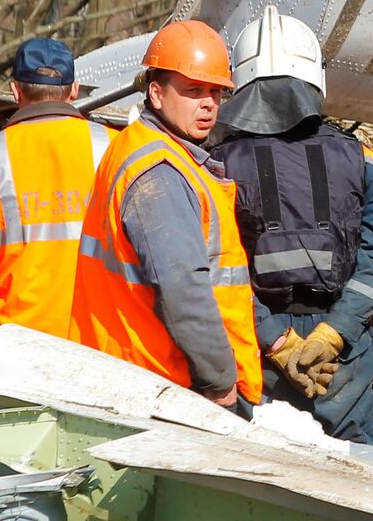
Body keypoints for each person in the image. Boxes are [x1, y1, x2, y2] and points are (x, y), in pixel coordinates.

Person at [213, 6, 373, 443]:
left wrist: (277, 341)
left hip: (258, 346)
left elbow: (217, 267)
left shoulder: (216, 166)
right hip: (342, 352)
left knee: (258, 469)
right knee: (360, 476)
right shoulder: (359, 157)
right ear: (315, 77)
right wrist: (333, 334)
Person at [70, 20, 263, 412]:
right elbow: (183, 289)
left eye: (215, 92)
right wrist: (219, 378)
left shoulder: (140, 146)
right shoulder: (159, 171)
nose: (208, 103)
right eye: (193, 91)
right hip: (163, 382)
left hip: (137, 371)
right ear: (156, 94)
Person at [0, 38, 113, 335]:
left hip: (18, 344)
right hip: (102, 341)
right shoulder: (114, 146)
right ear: (74, 89)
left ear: (15, 90)